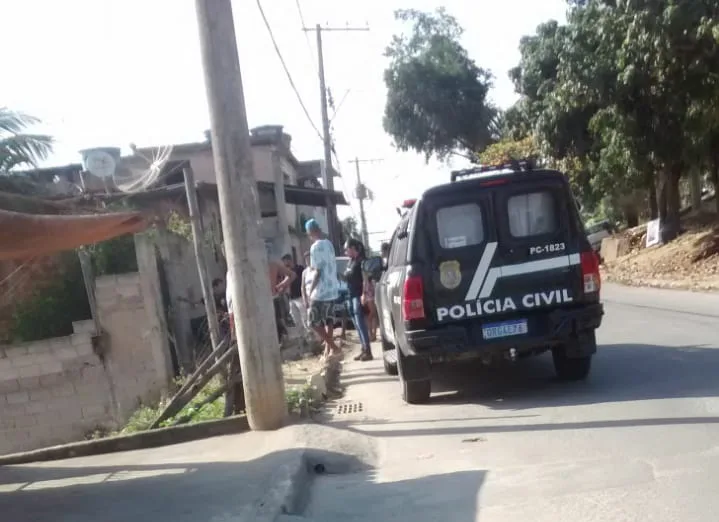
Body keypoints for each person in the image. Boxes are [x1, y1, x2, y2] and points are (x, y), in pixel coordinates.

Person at [225, 247, 296, 344]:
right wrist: (281, 286)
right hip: (267, 301)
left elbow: (292, 275)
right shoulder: (269, 265)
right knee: (274, 330)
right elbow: (292, 275)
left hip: (266, 302)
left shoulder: (262, 266)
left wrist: (281, 286)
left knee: (273, 330)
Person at [305, 218, 341, 359]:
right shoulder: (329, 244)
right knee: (328, 321)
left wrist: (310, 291)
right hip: (332, 290)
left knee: (312, 322)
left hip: (321, 291)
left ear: (311, 232)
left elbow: (317, 271)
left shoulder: (315, 247)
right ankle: (328, 350)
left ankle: (334, 347)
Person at [342, 238, 373, 361]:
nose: (345, 252)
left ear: (353, 248)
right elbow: (347, 277)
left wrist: (364, 294)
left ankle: (368, 350)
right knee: (356, 324)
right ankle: (363, 349)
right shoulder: (350, 262)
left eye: (346, 249)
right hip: (350, 294)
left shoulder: (361, 261)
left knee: (361, 323)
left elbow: (366, 279)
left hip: (358, 295)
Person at [282, 253, 307, 333]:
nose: (284, 264)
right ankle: (303, 337)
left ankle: (312, 336)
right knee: (296, 319)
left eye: (285, 261)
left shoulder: (299, 268)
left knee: (304, 317)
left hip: (300, 297)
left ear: (290, 260)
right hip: (291, 298)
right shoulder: (286, 272)